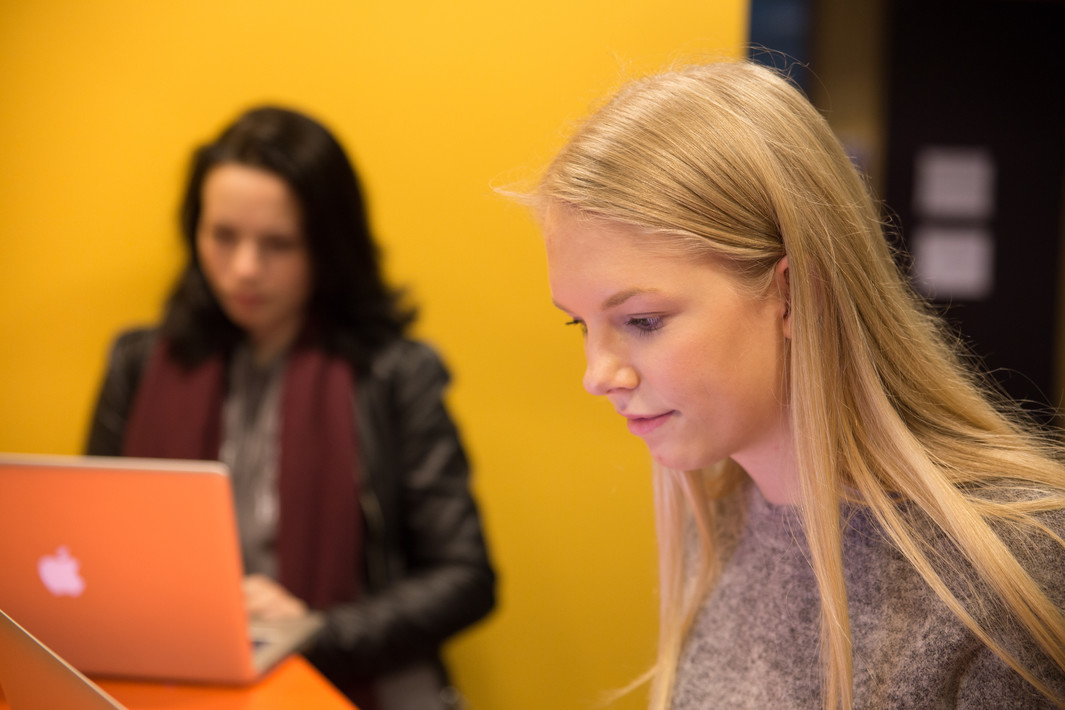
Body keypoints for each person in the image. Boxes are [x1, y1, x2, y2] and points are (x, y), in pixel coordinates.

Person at [531, 61, 1065, 709]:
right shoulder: (721, 522)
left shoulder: (1009, 576)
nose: (596, 375)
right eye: (579, 324)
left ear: (793, 291)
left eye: (641, 321)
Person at [86, 106, 495, 709]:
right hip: (176, 679)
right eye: (222, 237)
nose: (244, 270)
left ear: (328, 247)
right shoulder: (138, 364)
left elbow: (465, 579)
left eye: (278, 244)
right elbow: (91, 544)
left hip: (358, 685)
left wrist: (317, 631)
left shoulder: (393, 373)